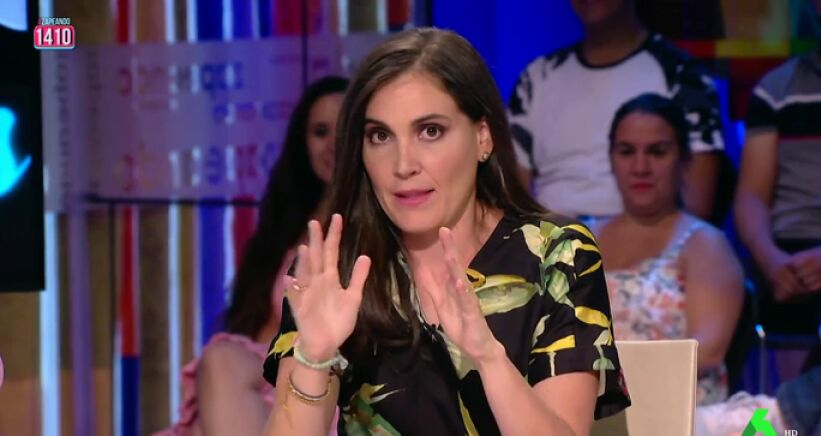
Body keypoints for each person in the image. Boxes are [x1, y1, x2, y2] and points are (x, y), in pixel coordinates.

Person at [262, 28, 630, 435]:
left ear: (483, 136)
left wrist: (488, 357)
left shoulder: (556, 255)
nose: (403, 165)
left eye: (430, 131)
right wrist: (314, 357)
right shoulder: (336, 270)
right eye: (380, 136)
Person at [155, 76, 349, 436]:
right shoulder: (284, 225)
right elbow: (255, 324)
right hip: (261, 382)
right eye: (320, 132)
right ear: (302, 143)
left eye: (344, 130)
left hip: (321, 382)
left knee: (223, 366)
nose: (333, 144)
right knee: (221, 368)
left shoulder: (371, 226)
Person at [508, 0, 725, 224]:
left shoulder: (684, 77)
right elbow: (511, 198)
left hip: (649, 240)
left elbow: (697, 210)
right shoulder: (535, 79)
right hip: (549, 239)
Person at [734, 0, 821, 360]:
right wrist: (770, 260)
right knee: (720, 285)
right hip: (785, 248)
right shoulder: (775, 89)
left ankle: (801, 394)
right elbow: (751, 196)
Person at [595, 94, 744, 405]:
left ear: (684, 161)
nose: (640, 167)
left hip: (675, 405)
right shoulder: (581, 240)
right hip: (587, 403)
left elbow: (707, 353)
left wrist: (613, 381)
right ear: (610, 160)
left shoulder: (704, 244)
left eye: (657, 152)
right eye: (626, 152)